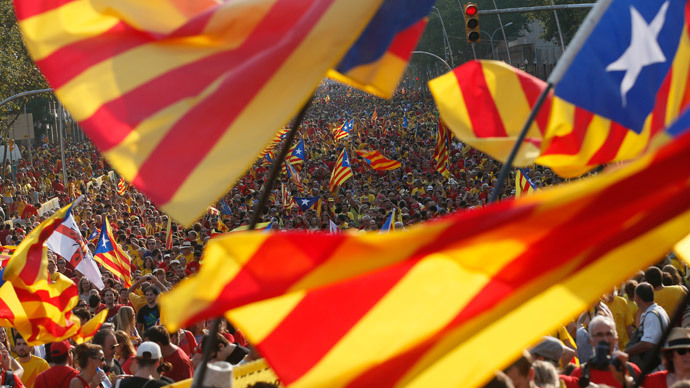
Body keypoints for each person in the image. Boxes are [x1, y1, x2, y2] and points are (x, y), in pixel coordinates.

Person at [564, 315, 640, 388]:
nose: (605, 339)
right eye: (599, 335)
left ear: (616, 338)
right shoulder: (579, 374)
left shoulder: (631, 371)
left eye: (609, 334)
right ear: (590, 340)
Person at [626, 282, 670, 369]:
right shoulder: (659, 310)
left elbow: (648, 344)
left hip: (658, 367)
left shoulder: (652, 316)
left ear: (637, 298)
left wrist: (626, 352)